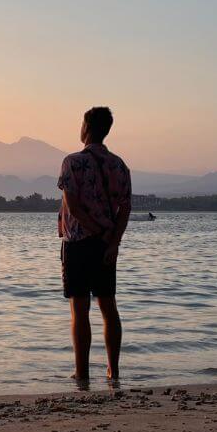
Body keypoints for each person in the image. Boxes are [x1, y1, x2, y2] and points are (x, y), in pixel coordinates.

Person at [57, 106, 132, 384]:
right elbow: (125, 209)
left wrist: (93, 230)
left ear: (86, 128)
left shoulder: (72, 162)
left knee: (80, 309)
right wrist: (111, 241)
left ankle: (82, 373)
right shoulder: (119, 165)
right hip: (106, 245)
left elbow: (73, 206)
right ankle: (113, 371)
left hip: (78, 243)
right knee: (108, 306)